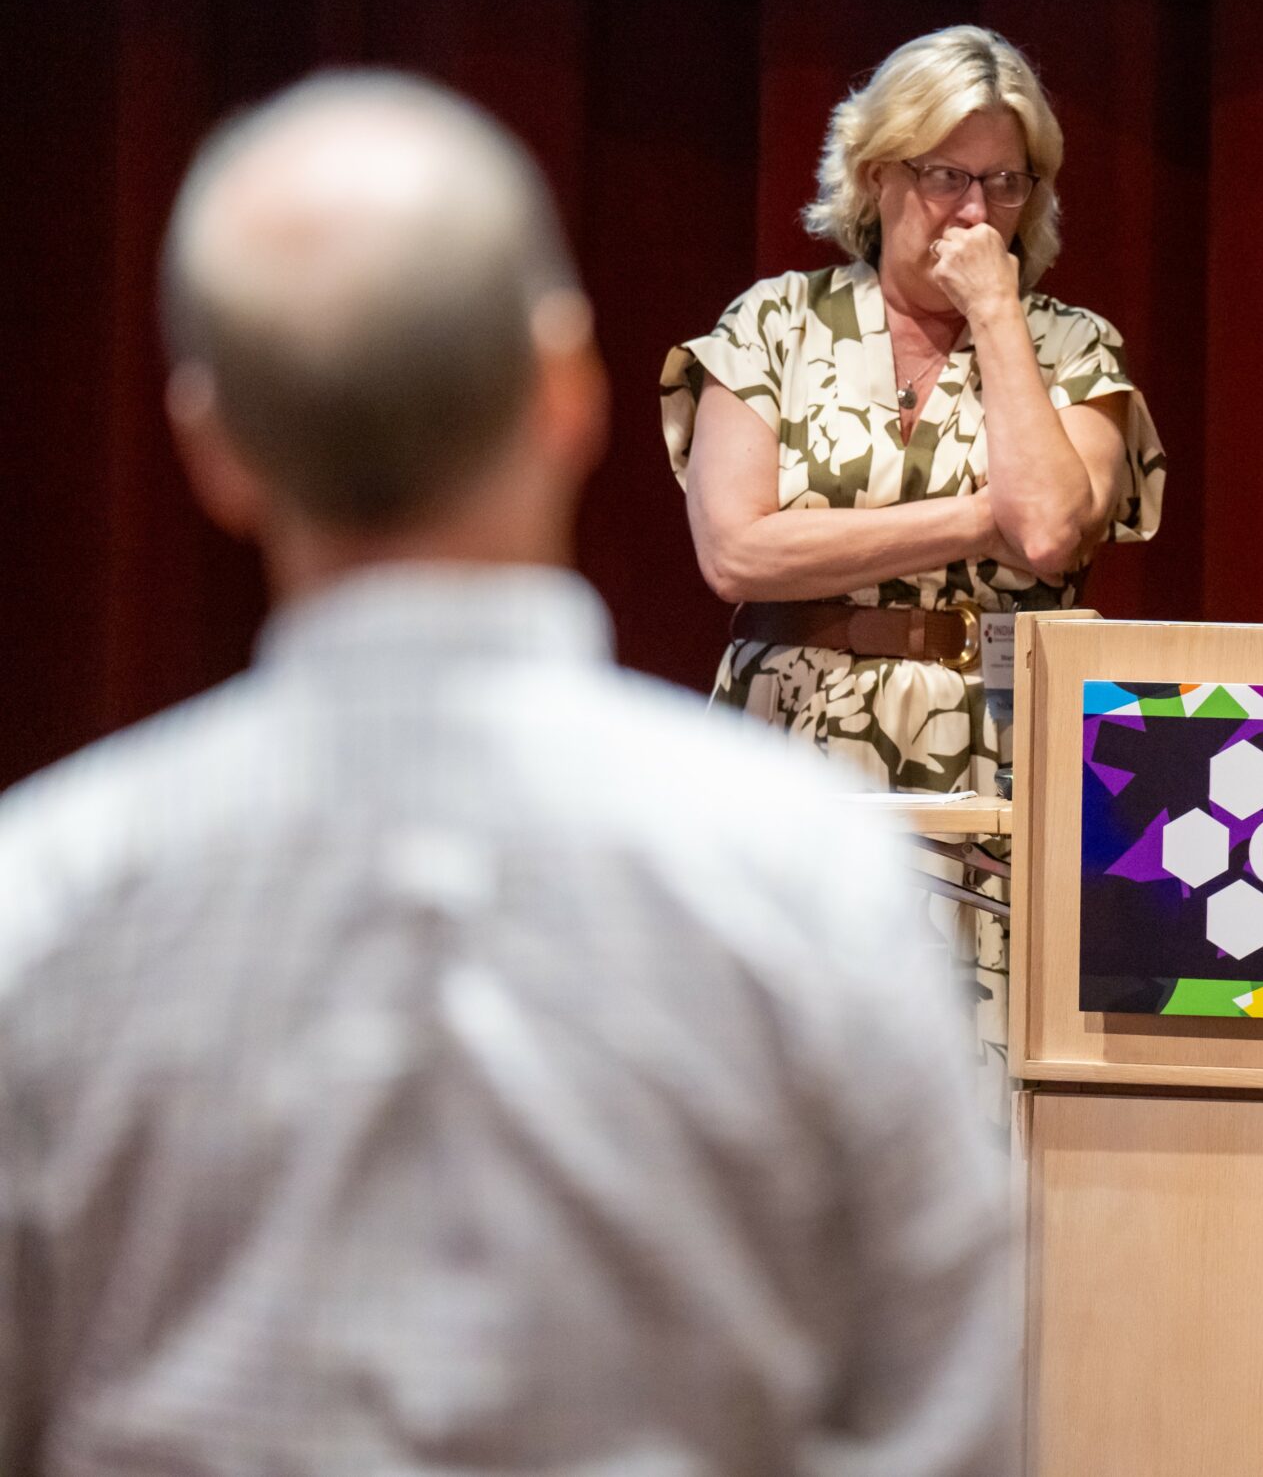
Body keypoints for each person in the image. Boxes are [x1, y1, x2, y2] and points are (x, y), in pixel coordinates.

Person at [0, 73, 1016, 1476]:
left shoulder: (46, 894)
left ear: (212, 446)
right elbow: (948, 1430)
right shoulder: (815, 873)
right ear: (569, 395)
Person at [663, 24, 1164, 1110]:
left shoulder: (1069, 348)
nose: (977, 213)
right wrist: (976, 510)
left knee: (974, 1093)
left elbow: (1046, 538)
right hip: (793, 737)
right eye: (947, 177)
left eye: (1006, 183)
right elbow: (737, 548)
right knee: (778, 1082)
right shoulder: (773, 326)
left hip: (997, 747)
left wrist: (993, 312)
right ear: (876, 171)